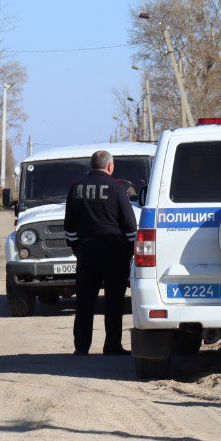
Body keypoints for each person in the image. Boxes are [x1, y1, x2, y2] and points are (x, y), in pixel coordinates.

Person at [64, 150, 137, 356]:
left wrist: (77, 248)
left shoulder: (76, 188)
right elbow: (130, 226)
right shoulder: (117, 188)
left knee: (85, 302)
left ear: (92, 165)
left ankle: (81, 347)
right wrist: (130, 250)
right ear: (110, 166)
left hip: (87, 252)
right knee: (114, 301)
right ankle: (112, 346)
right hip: (114, 252)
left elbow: (69, 225)